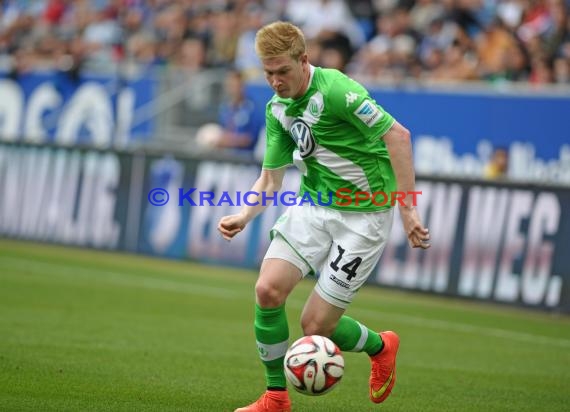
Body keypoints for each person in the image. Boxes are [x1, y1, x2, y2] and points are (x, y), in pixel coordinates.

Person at [217, 21, 430, 412]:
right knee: (267, 290)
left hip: (363, 218)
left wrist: (408, 208)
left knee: (316, 326)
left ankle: (382, 346)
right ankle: (276, 398)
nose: (276, 82)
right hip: (313, 206)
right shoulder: (276, 109)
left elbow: (397, 135)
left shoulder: (337, 90)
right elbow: (269, 178)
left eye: (283, 71)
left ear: (304, 60)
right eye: (268, 73)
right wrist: (245, 214)